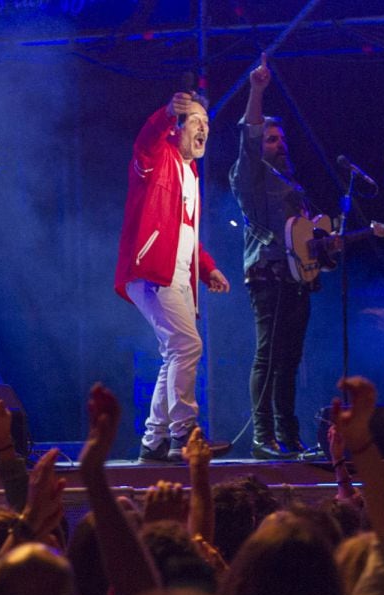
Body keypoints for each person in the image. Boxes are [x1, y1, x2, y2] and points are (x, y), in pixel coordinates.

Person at [114, 87, 232, 463]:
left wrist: (207, 267)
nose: (204, 129)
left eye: (207, 123)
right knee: (187, 346)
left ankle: (154, 441)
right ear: (176, 127)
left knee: (174, 353)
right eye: (195, 121)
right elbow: (144, 142)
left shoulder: (191, 172)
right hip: (151, 271)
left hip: (179, 274)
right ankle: (185, 434)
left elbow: (183, 231)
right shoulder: (157, 156)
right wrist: (165, 113)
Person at [229, 53, 321, 459]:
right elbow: (248, 134)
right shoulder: (250, 176)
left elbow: (302, 240)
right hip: (267, 274)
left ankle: (289, 435)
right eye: (271, 139)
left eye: (280, 138)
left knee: (290, 358)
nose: (278, 143)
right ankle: (261, 436)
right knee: (269, 354)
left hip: (295, 278)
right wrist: (256, 91)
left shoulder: (292, 185)